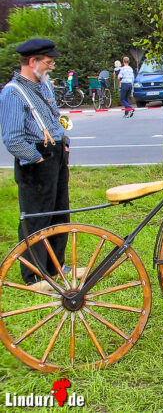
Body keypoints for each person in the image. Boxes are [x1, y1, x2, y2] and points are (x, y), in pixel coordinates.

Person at [0, 38, 76, 289]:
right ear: (32, 62)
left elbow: (54, 119)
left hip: (56, 156)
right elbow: (12, 139)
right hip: (35, 162)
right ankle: (34, 275)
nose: (51, 66)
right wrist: (38, 157)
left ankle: (56, 266)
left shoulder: (44, 87)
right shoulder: (12, 93)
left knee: (59, 212)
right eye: (48, 62)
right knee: (36, 218)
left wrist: (62, 142)